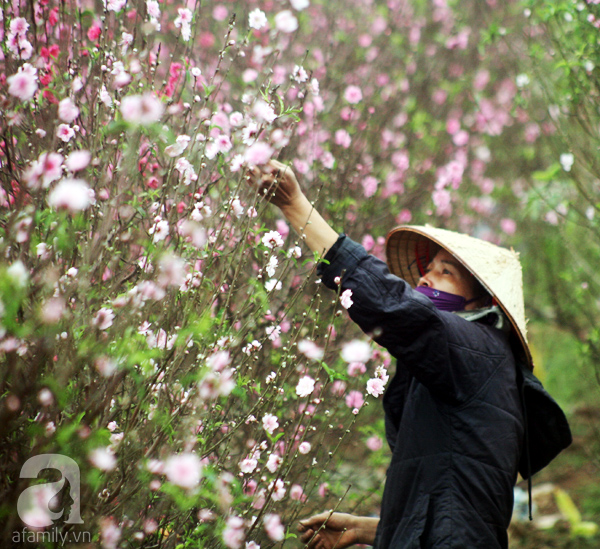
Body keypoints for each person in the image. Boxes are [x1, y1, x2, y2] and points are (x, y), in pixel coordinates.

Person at [247, 160, 571, 548]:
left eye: (445, 273)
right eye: (427, 269)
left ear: (480, 303)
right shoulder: (472, 364)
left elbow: (390, 305)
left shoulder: (479, 349)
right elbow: (453, 498)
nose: (423, 279)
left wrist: (297, 206)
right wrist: (369, 529)